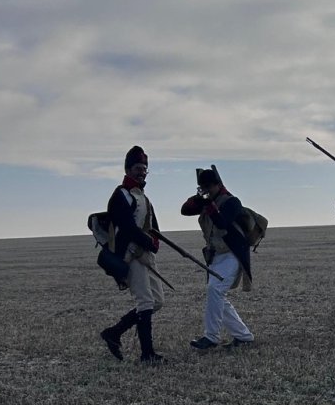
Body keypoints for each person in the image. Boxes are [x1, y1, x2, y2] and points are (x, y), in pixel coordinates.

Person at [100, 145, 165, 364]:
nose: (142, 172)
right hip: (130, 255)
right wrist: (149, 242)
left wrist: (154, 243)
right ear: (128, 169)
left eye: (145, 169)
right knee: (145, 301)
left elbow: (153, 227)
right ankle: (147, 354)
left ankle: (114, 332)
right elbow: (127, 227)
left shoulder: (143, 197)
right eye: (138, 168)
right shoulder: (120, 195)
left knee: (157, 301)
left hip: (145, 255)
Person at [180, 165, 256, 351]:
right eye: (202, 187)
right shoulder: (207, 201)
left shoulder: (232, 202)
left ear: (217, 185)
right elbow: (185, 210)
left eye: (208, 187)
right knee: (217, 294)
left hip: (232, 254)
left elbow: (222, 223)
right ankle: (243, 336)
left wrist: (208, 204)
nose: (206, 190)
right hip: (216, 255)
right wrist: (199, 199)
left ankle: (211, 337)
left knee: (215, 290)